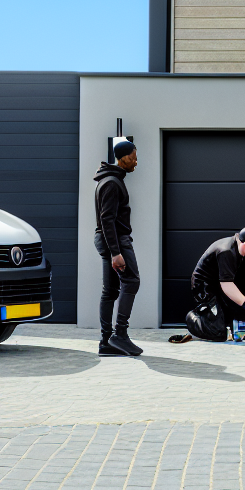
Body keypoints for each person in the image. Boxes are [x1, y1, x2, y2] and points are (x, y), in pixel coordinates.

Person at [93, 140, 143, 356]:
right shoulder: (112, 183)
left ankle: (106, 342)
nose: (136, 162)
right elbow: (107, 219)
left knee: (110, 290)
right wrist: (116, 252)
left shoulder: (110, 180)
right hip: (117, 241)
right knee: (131, 281)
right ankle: (119, 335)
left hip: (109, 240)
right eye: (133, 157)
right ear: (122, 158)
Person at [183, 227, 245, 341]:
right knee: (219, 333)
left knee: (238, 316)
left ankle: (217, 315)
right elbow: (226, 285)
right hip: (204, 286)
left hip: (220, 283)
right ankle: (194, 318)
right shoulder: (226, 251)